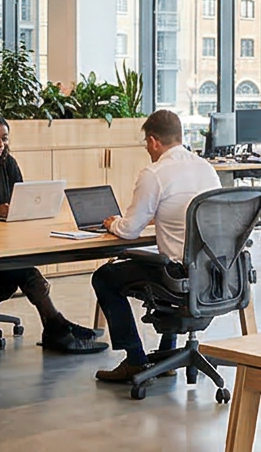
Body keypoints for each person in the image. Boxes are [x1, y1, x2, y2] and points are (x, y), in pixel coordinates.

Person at [0, 113, 106, 353]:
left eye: (4, 139)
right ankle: (57, 327)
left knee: (23, 268)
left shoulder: (7, 164)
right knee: (25, 271)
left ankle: (56, 327)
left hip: (3, 238)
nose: (0, 144)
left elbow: (21, 198)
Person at [90, 109, 223, 386]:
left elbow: (129, 231)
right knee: (162, 259)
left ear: (152, 141)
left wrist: (114, 222)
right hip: (215, 272)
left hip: (177, 273)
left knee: (104, 277)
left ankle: (135, 359)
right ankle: (166, 356)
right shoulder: (206, 168)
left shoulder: (155, 173)